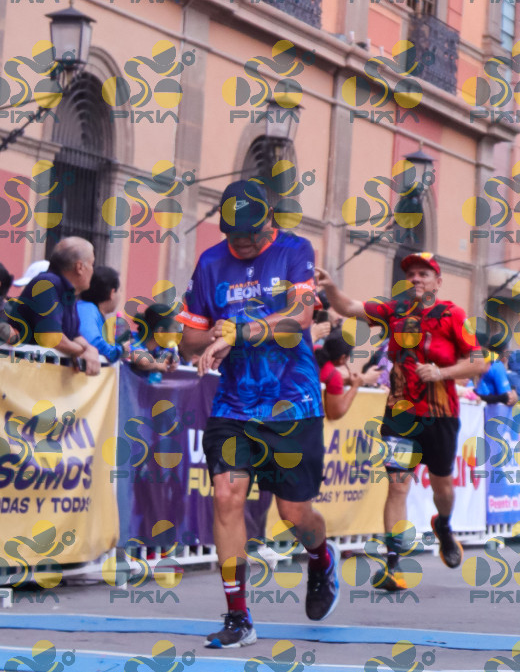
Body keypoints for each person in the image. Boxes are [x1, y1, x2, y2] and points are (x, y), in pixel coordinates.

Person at [178, 178, 337, 646]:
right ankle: (238, 617)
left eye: (251, 232)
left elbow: (300, 317)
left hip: (293, 402)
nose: (243, 241)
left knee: (294, 514)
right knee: (227, 496)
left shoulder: (295, 250)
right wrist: (215, 336)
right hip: (234, 405)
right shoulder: (211, 263)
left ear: (270, 219)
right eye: (234, 234)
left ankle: (321, 558)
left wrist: (240, 332)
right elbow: (188, 340)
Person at [315, 251, 483, 594]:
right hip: (401, 415)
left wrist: (442, 373)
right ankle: (393, 565)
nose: (416, 279)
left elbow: (479, 363)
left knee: (442, 488)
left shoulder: (454, 315)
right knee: (397, 486)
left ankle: (444, 525)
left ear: (438, 281)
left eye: (424, 274)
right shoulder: (394, 310)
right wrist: (330, 287)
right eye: (411, 274)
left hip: (441, 416)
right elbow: (349, 307)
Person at [3, 238, 100, 375]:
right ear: (79, 267)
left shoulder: (67, 291)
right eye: (92, 264)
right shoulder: (47, 284)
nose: (93, 270)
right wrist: (81, 351)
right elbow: (51, 337)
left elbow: (73, 335)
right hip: (23, 376)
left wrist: (90, 349)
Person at [319, 329, 376, 420]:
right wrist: (355, 387)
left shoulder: (314, 350)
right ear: (342, 358)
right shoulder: (333, 376)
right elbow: (334, 414)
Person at [78, 265, 128, 364]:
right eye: (120, 290)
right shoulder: (87, 309)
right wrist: (120, 349)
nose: (120, 295)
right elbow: (93, 342)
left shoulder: (92, 311)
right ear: (112, 293)